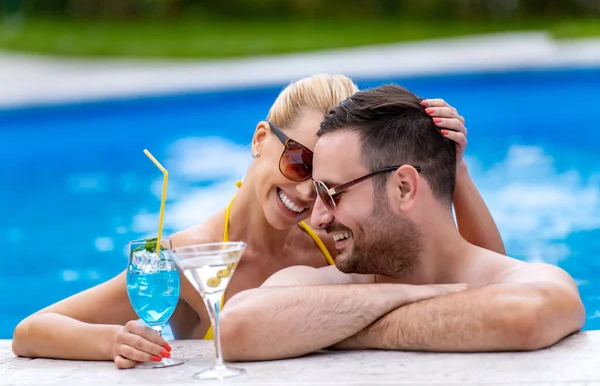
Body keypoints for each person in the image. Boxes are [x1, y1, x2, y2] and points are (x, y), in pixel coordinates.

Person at [12, 75, 503, 369]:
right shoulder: (190, 254)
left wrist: (455, 168)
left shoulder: (336, 244)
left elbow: (483, 277)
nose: (310, 191)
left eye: (329, 178)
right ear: (259, 138)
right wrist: (109, 340)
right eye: (298, 162)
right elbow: (33, 329)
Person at [219, 84, 585, 362]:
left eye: (332, 193)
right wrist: (424, 294)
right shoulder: (330, 280)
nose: (317, 216)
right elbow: (235, 328)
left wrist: (331, 327)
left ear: (405, 188)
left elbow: (526, 316)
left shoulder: (518, 282)